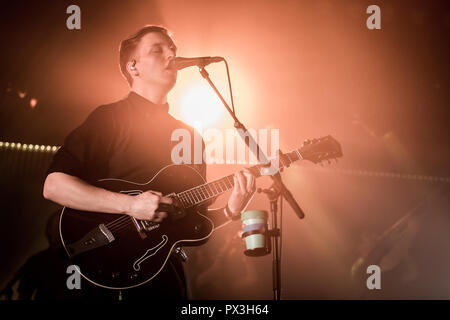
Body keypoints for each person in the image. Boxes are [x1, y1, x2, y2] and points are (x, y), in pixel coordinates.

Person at [42, 25, 256, 299]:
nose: (171, 55)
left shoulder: (190, 137)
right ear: (133, 67)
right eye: (158, 50)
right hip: (106, 270)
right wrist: (131, 205)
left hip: (164, 275)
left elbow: (192, 225)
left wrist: (231, 210)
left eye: (173, 50)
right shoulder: (109, 118)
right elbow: (53, 185)